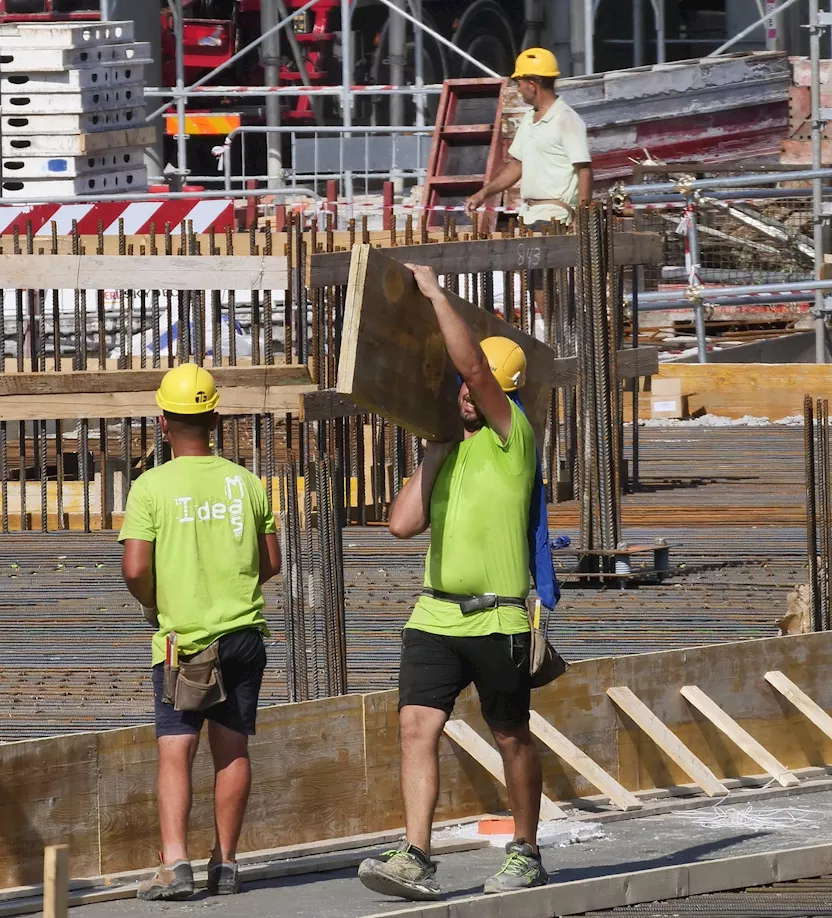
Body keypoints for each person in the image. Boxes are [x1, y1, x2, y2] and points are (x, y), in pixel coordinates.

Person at [356, 265, 549, 901]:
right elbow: (400, 525)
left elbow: (475, 371)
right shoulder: (450, 446)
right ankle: (416, 853)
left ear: (502, 390)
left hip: (497, 618)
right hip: (436, 615)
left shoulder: (512, 437)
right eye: (463, 389)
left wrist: (437, 295)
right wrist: (434, 449)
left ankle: (524, 847)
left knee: (510, 735)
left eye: (479, 387)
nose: (468, 394)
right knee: (416, 727)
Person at [118, 363, 283, 901]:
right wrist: (226, 584)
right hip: (244, 636)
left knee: (176, 749)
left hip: (184, 642)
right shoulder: (246, 483)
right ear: (214, 418)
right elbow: (271, 562)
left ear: (163, 422)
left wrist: (159, 603)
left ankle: (175, 864)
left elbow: (136, 569)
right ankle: (227, 863)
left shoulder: (150, 488)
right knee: (232, 747)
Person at [464, 47, 592, 232]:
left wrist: (582, 219)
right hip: (529, 216)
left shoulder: (566, 119)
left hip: (555, 219)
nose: (518, 89)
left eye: (520, 83)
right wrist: (483, 194)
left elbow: (585, 171)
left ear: (532, 85)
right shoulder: (529, 119)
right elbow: (517, 166)